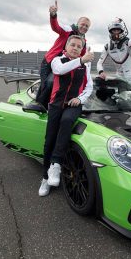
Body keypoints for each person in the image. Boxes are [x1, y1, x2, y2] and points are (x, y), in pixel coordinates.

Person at [39, 35, 94, 196]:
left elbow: (89, 87)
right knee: (49, 141)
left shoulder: (85, 65)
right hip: (56, 105)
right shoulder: (58, 60)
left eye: (79, 46)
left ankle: (56, 165)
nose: (76, 48)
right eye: (73, 45)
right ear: (67, 46)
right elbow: (59, 70)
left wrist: (80, 98)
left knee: (67, 120)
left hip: (73, 105)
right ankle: (44, 178)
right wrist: (82, 60)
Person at [36, 0, 91, 107]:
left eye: (87, 26)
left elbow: (82, 57)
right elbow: (55, 26)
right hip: (50, 61)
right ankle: (39, 105)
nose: (84, 27)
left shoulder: (83, 41)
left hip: (65, 64)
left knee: (60, 86)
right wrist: (53, 15)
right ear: (77, 23)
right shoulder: (68, 29)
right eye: (83, 24)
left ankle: (53, 105)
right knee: (48, 83)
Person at [97, 18, 131, 89]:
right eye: (114, 30)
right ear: (110, 31)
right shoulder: (107, 46)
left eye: (118, 30)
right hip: (119, 76)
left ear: (122, 31)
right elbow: (99, 63)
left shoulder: (127, 42)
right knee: (120, 98)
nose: (116, 32)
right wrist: (101, 72)